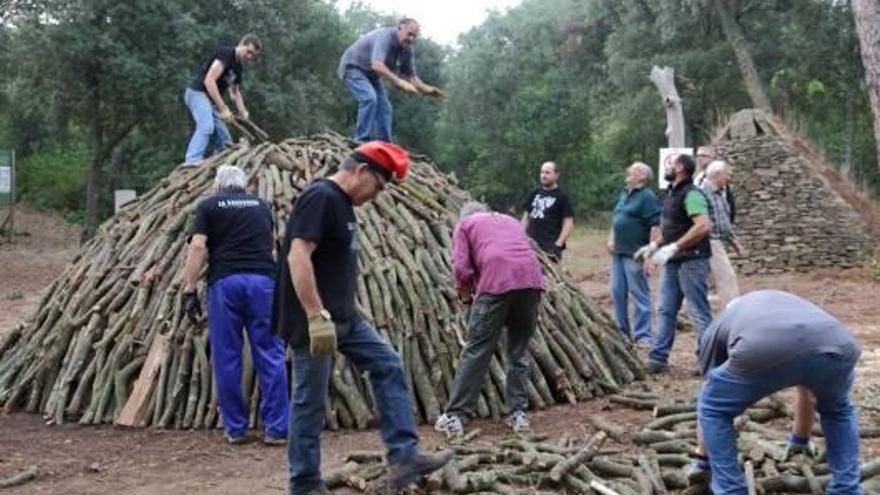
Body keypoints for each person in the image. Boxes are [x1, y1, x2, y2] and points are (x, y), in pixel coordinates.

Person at [273, 141, 452, 495]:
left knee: (388, 365)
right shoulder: (321, 197)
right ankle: (304, 484)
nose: (376, 195)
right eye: (378, 186)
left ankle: (404, 456)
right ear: (362, 172)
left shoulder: (342, 204)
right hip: (315, 322)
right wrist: (315, 316)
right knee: (309, 401)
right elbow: (298, 256)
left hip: (345, 318)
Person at [693, 290, 861, 495]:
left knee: (713, 408)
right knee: (838, 412)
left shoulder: (717, 325)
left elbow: (709, 397)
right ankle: (847, 489)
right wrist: (800, 441)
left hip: (763, 347)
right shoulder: (783, 303)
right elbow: (806, 384)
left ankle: (731, 490)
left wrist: (703, 459)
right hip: (838, 343)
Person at [183, 165, 289, 445]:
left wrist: (190, 290)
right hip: (263, 283)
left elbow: (196, 247)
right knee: (270, 352)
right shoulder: (262, 206)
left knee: (227, 355)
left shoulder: (208, 206)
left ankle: (236, 429)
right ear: (244, 185)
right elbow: (271, 247)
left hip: (226, 284)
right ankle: (277, 429)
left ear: (218, 186)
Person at [434, 202, 545, 437]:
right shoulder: (510, 220)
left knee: (477, 349)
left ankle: (456, 415)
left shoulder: (465, 225)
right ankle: (518, 414)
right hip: (531, 281)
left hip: (497, 283)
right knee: (519, 350)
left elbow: (462, 269)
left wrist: (466, 294)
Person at [635, 153, 713, 373]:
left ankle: (708, 360)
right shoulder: (672, 193)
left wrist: (676, 246)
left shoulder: (692, 194)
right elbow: (672, 229)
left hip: (692, 261)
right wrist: (654, 246)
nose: (665, 168)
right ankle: (658, 359)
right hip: (674, 261)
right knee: (665, 309)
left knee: (699, 311)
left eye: (669, 164)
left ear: (680, 168)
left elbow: (703, 226)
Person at [337, 18, 443, 143]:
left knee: (385, 108)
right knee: (369, 98)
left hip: (371, 76)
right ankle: (360, 140)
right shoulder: (385, 37)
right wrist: (398, 81)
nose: (411, 39)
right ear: (400, 27)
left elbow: (412, 78)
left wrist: (428, 90)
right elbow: (376, 65)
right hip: (353, 67)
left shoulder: (407, 49)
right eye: (409, 34)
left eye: (414, 36)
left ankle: (385, 144)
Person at [184, 34, 261, 166]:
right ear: (242, 43)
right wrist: (223, 109)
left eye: (252, 55)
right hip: (196, 94)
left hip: (209, 102)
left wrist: (243, 112)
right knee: (206, 125)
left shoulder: (238, 68)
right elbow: (209, 81)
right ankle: (191, 160)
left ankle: (221, 163)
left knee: (224, 138)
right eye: (248, 51)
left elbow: (235, 92)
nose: (249, 57)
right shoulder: (226, 54)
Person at [607, 162, 661, 347]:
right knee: (617, 291)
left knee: (640, 293)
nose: (628, 172)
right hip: (619, 252)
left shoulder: (647, 197)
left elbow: (655, 226)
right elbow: (617, 219)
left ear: (643, 177)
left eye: (633, 170)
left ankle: (643, 335)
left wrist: (650, 256)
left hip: (636, 253)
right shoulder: (624, 194)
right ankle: (621, 332)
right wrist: (611, 239)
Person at [700, 160, 744, 308]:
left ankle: (693, 310)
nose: (729, 178)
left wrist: (736, 244)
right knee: (726, 276)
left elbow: (724, 222)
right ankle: (734, 311)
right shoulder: (701, 192)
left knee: (707, 280)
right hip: (709, 240)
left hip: (716, 241)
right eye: (727, 175)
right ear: (717, 174)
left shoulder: (720, 193)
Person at [521, 161, 575, 261]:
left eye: (547, 173)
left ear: (556, 175)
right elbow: (526, 217)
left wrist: (558, 245)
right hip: (530, 245)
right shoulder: (534, 193)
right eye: (542, 172)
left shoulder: (562, 196)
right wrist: (521, 237)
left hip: (549, 248)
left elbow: (568, 224)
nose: (543, 175)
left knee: (547, 276)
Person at [695, 145, 736, 224]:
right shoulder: (698, 178)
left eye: (703, 156)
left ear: (712, 158)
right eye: (698, 156)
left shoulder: (719, 176)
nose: (699, 158)